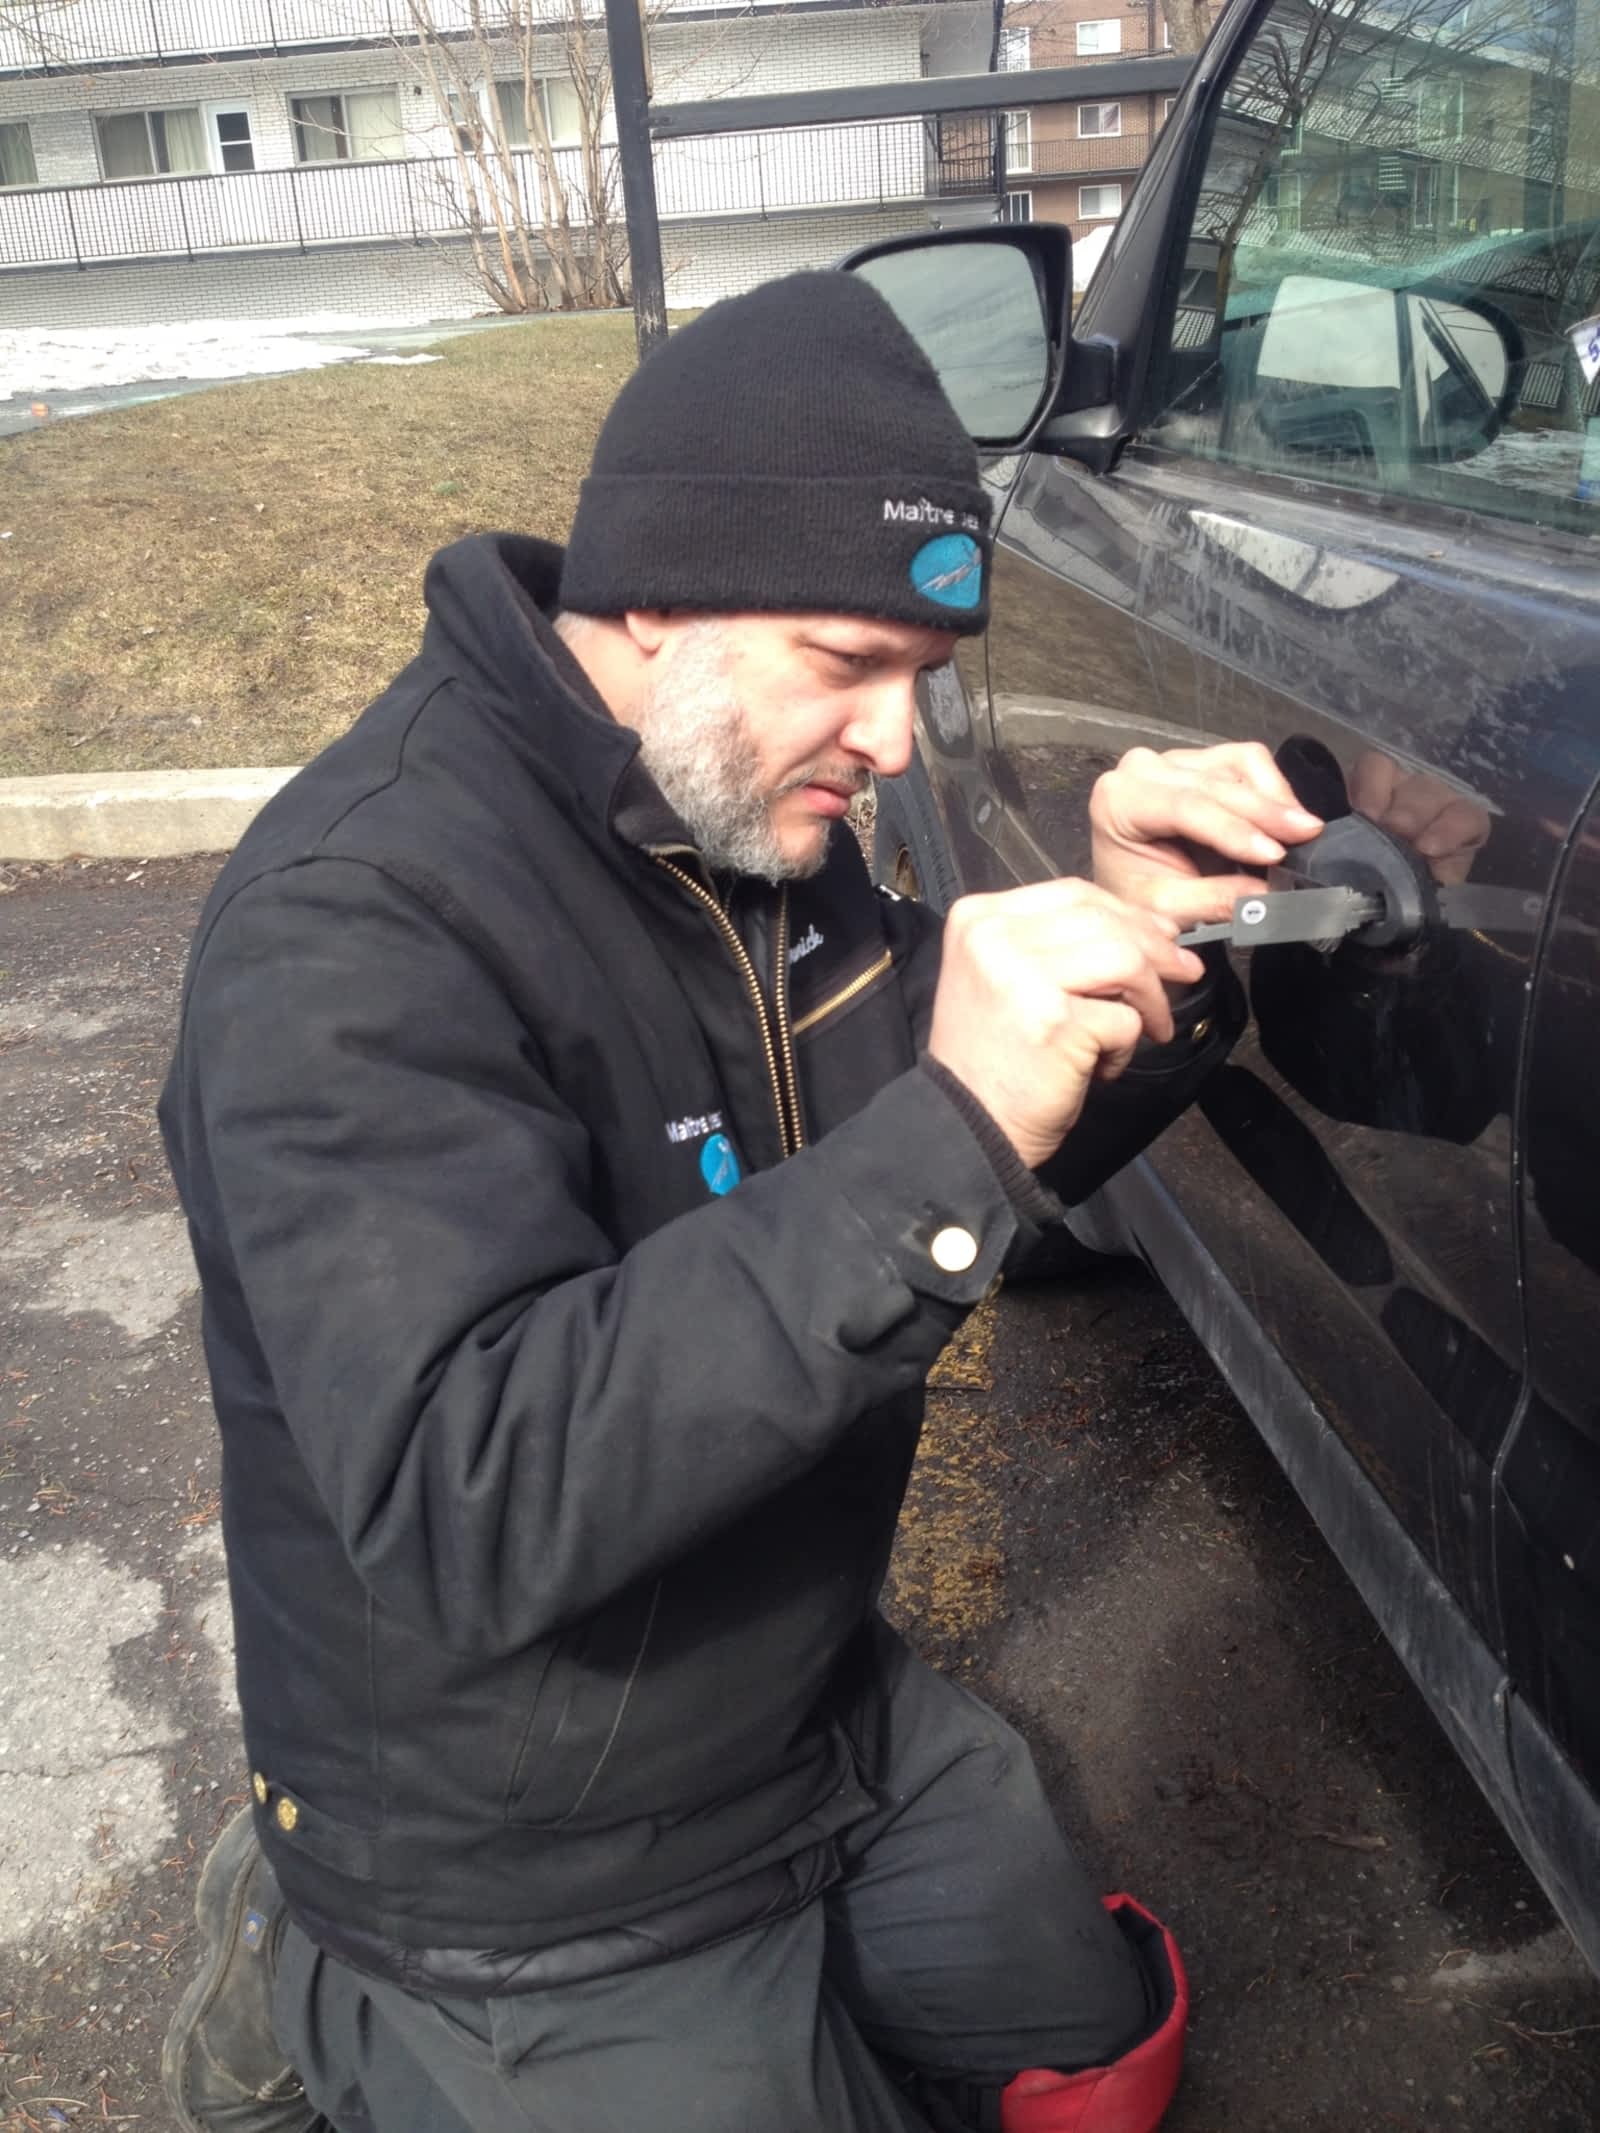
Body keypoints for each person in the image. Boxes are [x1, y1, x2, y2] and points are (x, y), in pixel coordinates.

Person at [157, 271, 1324, 2133]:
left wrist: (1133, 946)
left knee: (1101, 2065)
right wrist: (951, 1134)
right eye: (845, 664)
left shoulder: (744, 816)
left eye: (920, 683)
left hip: (806, 1708)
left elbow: (932, 1104)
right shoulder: (358, 925)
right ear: (659, 600)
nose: (892, 743)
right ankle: (323, 1979)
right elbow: (478, 1489)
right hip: (528, 1858)